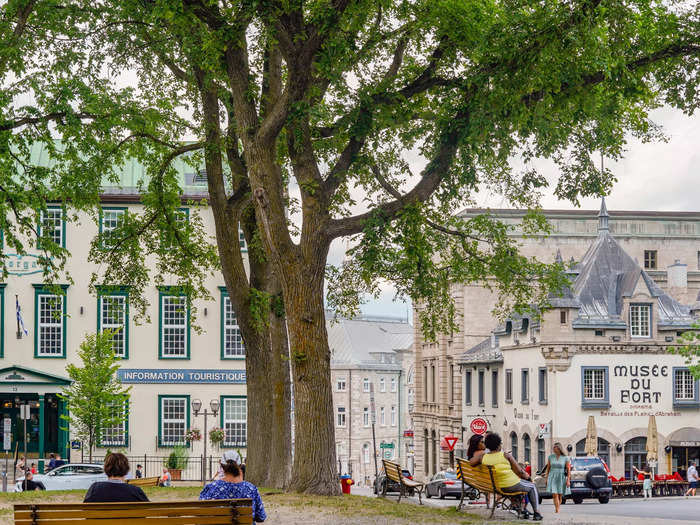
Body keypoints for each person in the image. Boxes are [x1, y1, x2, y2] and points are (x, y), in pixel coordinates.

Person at [481, 432, 542, 521]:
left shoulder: (484, 458)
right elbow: (520, 471)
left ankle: (521, 510)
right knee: (532, 486)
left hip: (494, 487)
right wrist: (528, 477)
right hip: (510, 484)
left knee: (523, 487)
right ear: (498, 445)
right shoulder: (505, 455)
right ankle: (537, 513)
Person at [200, 450, 266, 522]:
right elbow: (261, 517)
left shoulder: (210, 488)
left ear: (222, 466)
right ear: (240, 466)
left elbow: (201, 515)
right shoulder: (251, 489)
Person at [84, 453, 148, 503]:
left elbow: (86, 510)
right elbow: (148, 510)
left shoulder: (95, 488)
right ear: (126, 470)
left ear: (106, 469)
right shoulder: (136, 491)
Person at [543, 442, 571, 514]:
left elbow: (568, 470)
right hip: (552, 476)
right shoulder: (551, 457)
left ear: (559, 449)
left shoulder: (565, 458)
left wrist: (568, 480)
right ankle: (557, 509)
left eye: (555, 448)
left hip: (561, 477)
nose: (554, 450)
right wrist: (546, 478)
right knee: (555, 494)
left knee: (560, 495)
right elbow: (548, 468)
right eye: (553, 448)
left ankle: (558, 507)